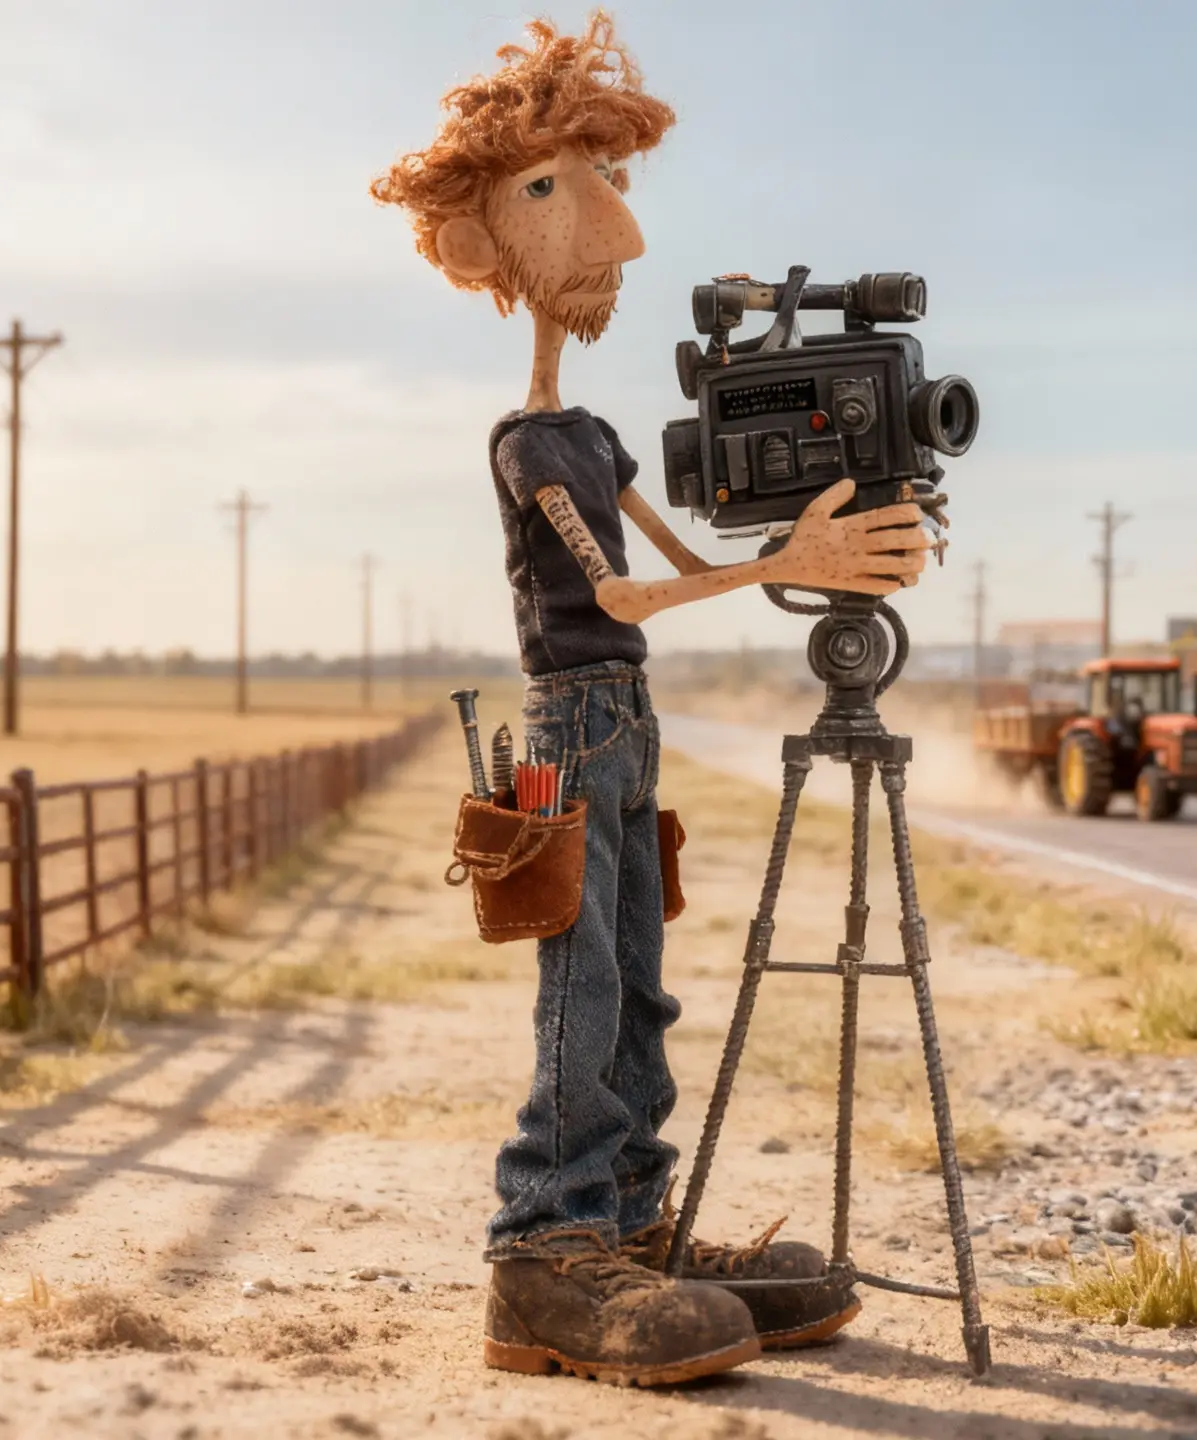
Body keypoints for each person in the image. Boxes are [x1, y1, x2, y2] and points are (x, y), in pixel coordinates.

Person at [372, 11, 932, 1387]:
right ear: (486, 238)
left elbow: (686, 561)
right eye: (557, 193)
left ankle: (631, 1222)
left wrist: (813, 535)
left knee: (642, 985)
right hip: (571, 723)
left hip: (628, 727)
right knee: (583, 986)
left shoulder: (605, 433)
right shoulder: (526, 441)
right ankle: (545, 1247)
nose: (612, 231)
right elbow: (617, 600)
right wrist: (783, 567)